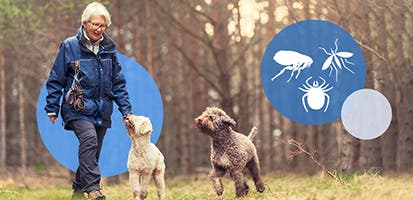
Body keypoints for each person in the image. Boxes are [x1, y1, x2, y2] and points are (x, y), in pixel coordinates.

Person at [44, 2, 131, 199]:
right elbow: (56, 79)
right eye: (96, 25)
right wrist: (52, 108)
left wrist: (126, 110)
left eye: (103, 26)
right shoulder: (69, 46)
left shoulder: (109, 49)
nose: (100, 30)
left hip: (102, 109)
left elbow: (118, 82)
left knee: (93, 151)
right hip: (77, 107)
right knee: (89, 141)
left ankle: (77, 189)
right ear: (85, 23)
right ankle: (93, 189)